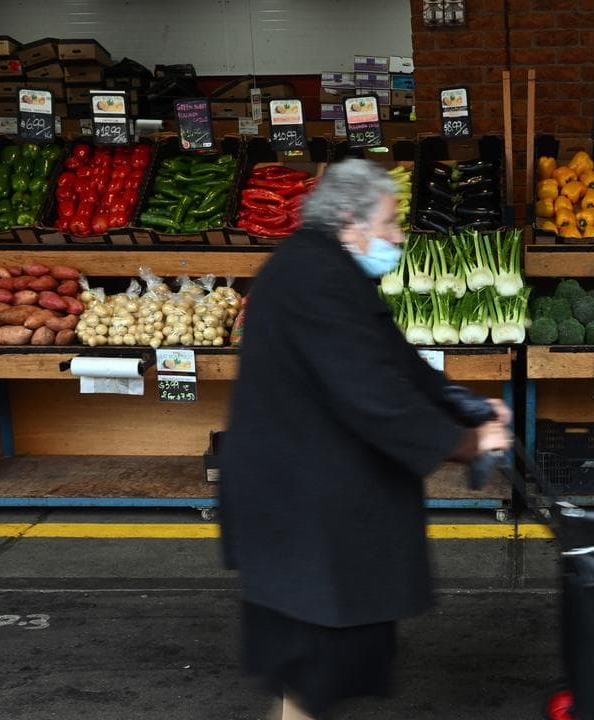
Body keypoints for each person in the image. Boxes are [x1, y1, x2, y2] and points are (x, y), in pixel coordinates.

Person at [219, 160, 511, 720]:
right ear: (351, 219)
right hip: (301, 508)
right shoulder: (315, 278)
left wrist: (466, 405)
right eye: (392, 221)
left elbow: (396, 361)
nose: (400, 236)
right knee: (315, 660)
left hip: (300, 499)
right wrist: (467, 445)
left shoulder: (324, 268)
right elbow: (373, 393)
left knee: (309, 665)